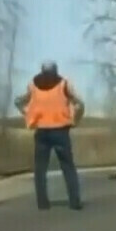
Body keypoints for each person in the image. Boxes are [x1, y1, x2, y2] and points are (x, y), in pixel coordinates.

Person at [14, 61, 85, 210]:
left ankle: (42, 202)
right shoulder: (63, 84)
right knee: (67, 166)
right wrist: (75, 120)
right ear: (56, 70)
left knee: (40, 168)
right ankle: (74, 201)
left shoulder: (32, 85)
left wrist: (28, 115)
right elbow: (79, 103)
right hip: (60, 130)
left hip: (41, 131)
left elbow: (18, 102)